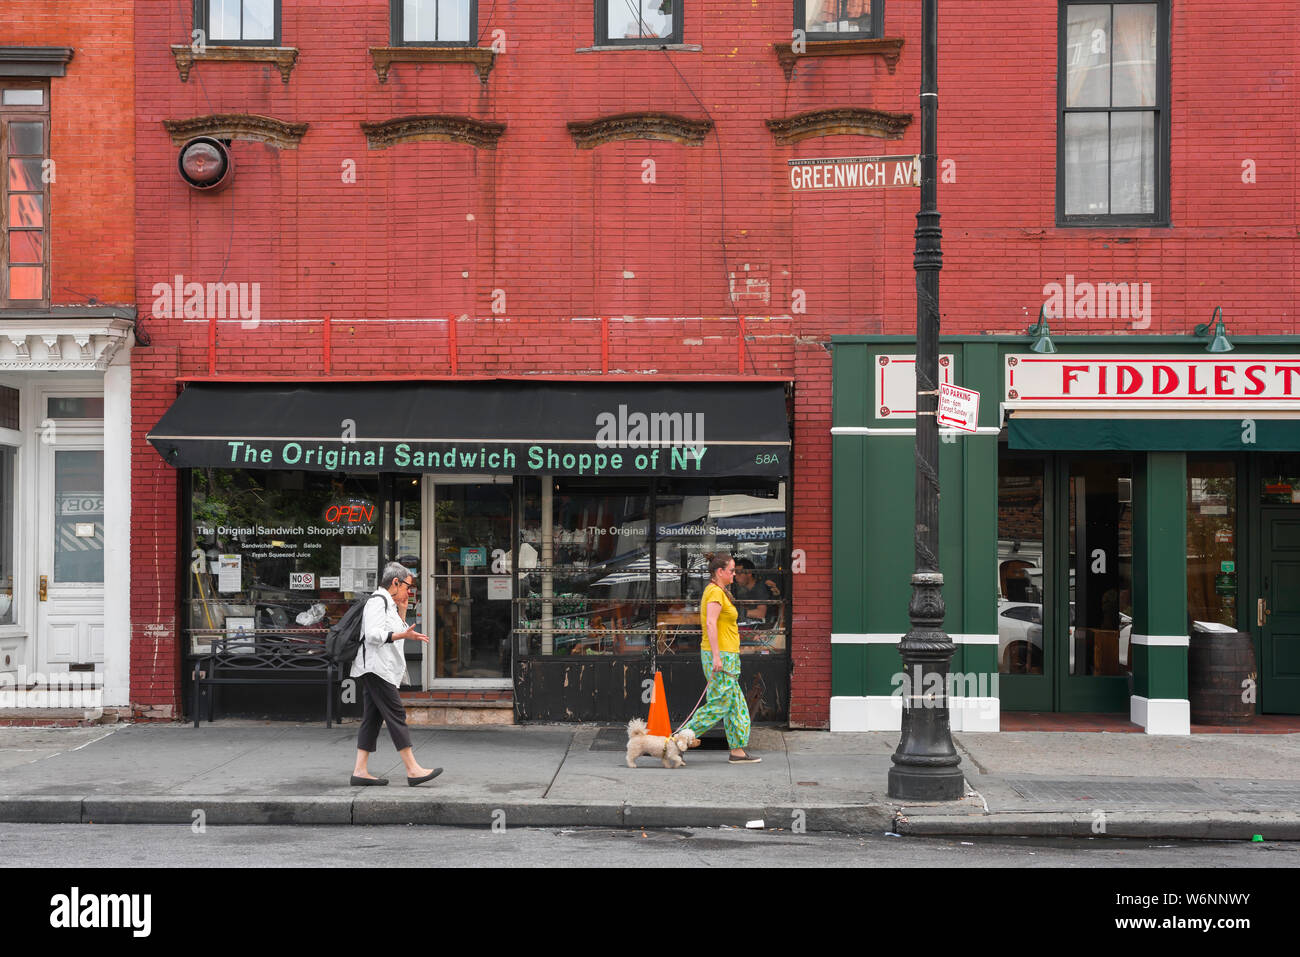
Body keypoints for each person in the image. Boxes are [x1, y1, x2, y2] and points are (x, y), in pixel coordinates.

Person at [350, 562, 443, 787]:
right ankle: (413, 769)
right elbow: (373, 635)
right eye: (407, 587)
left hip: (381, 669)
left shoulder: (389, 603)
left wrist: (403, 608)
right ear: (395, 582)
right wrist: (401, 636)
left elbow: (396, 629)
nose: (409, 591)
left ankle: (360, 771)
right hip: (376, 669)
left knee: (372, 719)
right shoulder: (377, 601)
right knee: (396, 715)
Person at [680, 554, 760, 763]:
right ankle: (680, 738)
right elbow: (710, 624)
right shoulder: (715, 592)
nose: (735, 574)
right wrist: (716, 656)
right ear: (720, 572)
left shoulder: (720, 592)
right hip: (720, 655)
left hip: (727, 655)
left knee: (736, 705)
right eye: (732, 570)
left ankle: (737, 751)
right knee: (720, 703)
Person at [732, 557, 781, 625]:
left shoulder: (760, 588)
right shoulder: (743, 590)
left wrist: (739, 612)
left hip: (764, 627)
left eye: (739, 573)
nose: (736, 577)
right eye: (735, 574)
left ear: (749, 573)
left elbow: (760, 613)